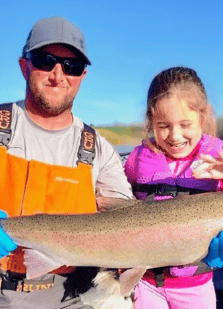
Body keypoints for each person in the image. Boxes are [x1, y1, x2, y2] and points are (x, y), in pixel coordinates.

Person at [0, 16, 134, 308]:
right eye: (45, 60)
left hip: (68, 294)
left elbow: (131, 225)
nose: (57, 75)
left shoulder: (100, 150)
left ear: (82, 76)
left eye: (71, 66)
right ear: (25, 67)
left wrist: (190, 253)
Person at [124, 66, 223, 309]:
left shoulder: (220, 158)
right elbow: (118, 201)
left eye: (185, 124)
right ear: (151, 122)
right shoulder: (137, 159)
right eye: (163, 125)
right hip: (144, 282)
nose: (175, 136)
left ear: (203, 116)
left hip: (195, 285)